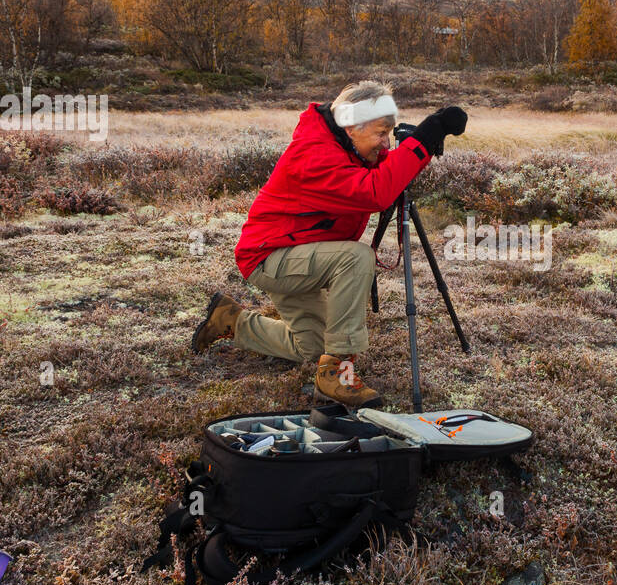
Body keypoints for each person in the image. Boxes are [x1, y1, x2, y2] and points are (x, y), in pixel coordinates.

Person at [192, 80, 467, 408]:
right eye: (381, 134)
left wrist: (422, 145)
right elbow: (375, 192)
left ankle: (230, 320)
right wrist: (425, 136)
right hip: (270, 257)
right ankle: (337, 371)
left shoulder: (342, 145)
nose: (386, 144)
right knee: (355, 258)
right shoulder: (316, 155)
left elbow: (384, 171)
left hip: (298, 253)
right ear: (352, 127)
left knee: (309, 348)